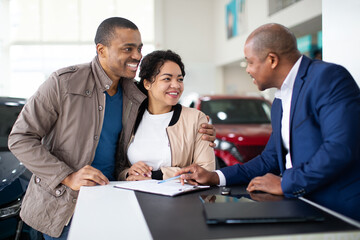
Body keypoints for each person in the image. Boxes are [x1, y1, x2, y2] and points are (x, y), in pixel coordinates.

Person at [8, 17, 216, 239]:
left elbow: (163, 112)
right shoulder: (64, 83)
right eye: (128, 48)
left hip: (114, 199)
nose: (137, 56)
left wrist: (200, 126)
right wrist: (67, 176)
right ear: (102, 50)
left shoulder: (135, 95)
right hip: (65, 206)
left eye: (139, 48)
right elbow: (21, 138)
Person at [176, 23, 360, 221]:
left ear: (272, 60)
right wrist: (215, 176)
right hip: (297, 205)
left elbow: (340, 148)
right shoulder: (279, 101)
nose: (247, 69)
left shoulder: (328, 78)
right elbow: (269, 159)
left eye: (250, 62)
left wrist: (285, 183)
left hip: (337, 210)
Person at [118, 50, 215, 181]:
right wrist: (129, 173)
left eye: (180, 79)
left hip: (178, 199)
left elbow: (207, 171)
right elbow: (119, 167)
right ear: (147, 83)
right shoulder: (131, 118)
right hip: (135, 196)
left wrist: (156, 175)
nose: (176, 85)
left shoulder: (196, 119)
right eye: (167, 79)